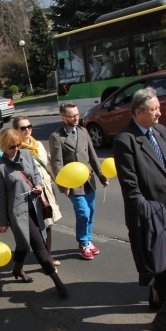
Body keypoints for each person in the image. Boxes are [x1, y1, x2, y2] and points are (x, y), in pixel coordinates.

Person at [113, 87, 166, 309]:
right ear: (138, 112)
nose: (158, 113)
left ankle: (159, 298)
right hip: (150, 212)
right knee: (164, 260)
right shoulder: (125, 140)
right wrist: (145, 210)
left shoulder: (161, 130)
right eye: (154, 109)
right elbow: (130, 185)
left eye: (159, 108)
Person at [0, 129, 68, 298]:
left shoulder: (26, 154)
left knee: (23, 244)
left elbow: (35, 174)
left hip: (35, 206)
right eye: (12, 147)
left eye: (18, 145)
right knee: (38, 245)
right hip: (18, 213)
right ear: (5, 146)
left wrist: (38, 185)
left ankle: (17, 268)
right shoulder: (0, 166)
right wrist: (3, 222)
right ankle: (58, 283)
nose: (16, 149)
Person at [49, 103, 108, 260]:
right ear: (63, 117)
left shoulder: (83, 131)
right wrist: (63, 185)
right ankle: (83, 242)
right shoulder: (56, 137)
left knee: (91, 212)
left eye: (77, 115)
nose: (76, 118)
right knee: (83, 213)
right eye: (72, 116)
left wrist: (102, 176)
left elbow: (93, 156)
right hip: (73, 183)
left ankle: (88, 240)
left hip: (88, 180)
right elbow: (57, 164)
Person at [15, 116, 62, 266]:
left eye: (29, 126)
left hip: (46, 189)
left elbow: (48, 165)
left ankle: (47, 257)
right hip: (32, 195)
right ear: (16, 131)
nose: (27, 130)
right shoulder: (16, 150)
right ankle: (36, 260)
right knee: (37, 228)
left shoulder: (39, 145)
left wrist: (60, 184)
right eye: (23, 128)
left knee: (48, 224)